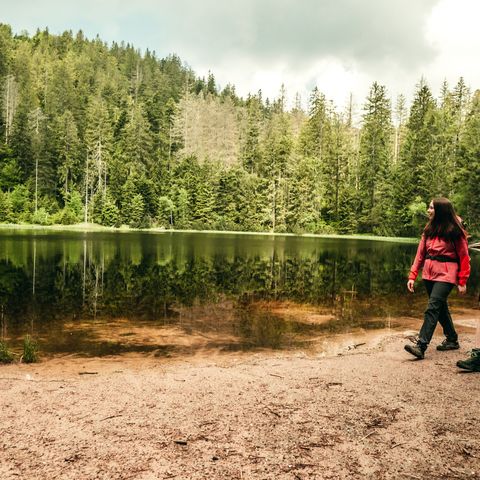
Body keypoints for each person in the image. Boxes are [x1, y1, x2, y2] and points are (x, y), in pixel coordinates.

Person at [405, 197, 470, 360]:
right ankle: (452, 339)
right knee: (440, 308)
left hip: (447, 274)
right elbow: (420, 254)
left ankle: (421, 345)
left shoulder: (455, 230)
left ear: (440, 211)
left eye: (431, 208)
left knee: (432, 307)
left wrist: (462, 281)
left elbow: (464, 256)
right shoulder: (429, 229)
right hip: (428, 273)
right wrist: (413, 275)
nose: (428, 210)